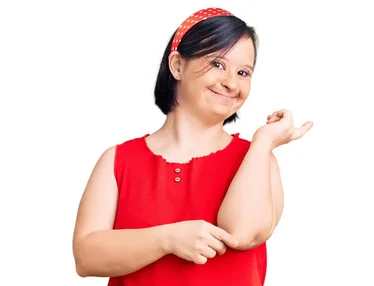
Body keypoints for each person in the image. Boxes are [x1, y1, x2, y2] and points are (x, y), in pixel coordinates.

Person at [71, 7, 312, 286]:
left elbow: (243, 233)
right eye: (218, 64)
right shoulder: (118, 160)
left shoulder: (256, 158)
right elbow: (85, 257)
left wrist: (264, 142)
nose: (231, 83)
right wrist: (167, 239)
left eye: (243, 72)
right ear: (177, 65)